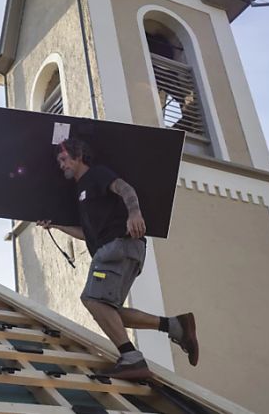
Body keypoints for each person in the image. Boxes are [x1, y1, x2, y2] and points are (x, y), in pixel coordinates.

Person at [37, 138, 199, 380]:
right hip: (122, 250)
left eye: (63, 159)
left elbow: (126, 188)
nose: (61, 165)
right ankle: (175, 325)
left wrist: (134, 212)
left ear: (78, 155)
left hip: (117, 248)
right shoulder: (81, 193)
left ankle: (131, 359)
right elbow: (87, 234)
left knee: (91, 299)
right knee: (109, 309)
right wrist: (57, 227)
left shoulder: (97, 175)